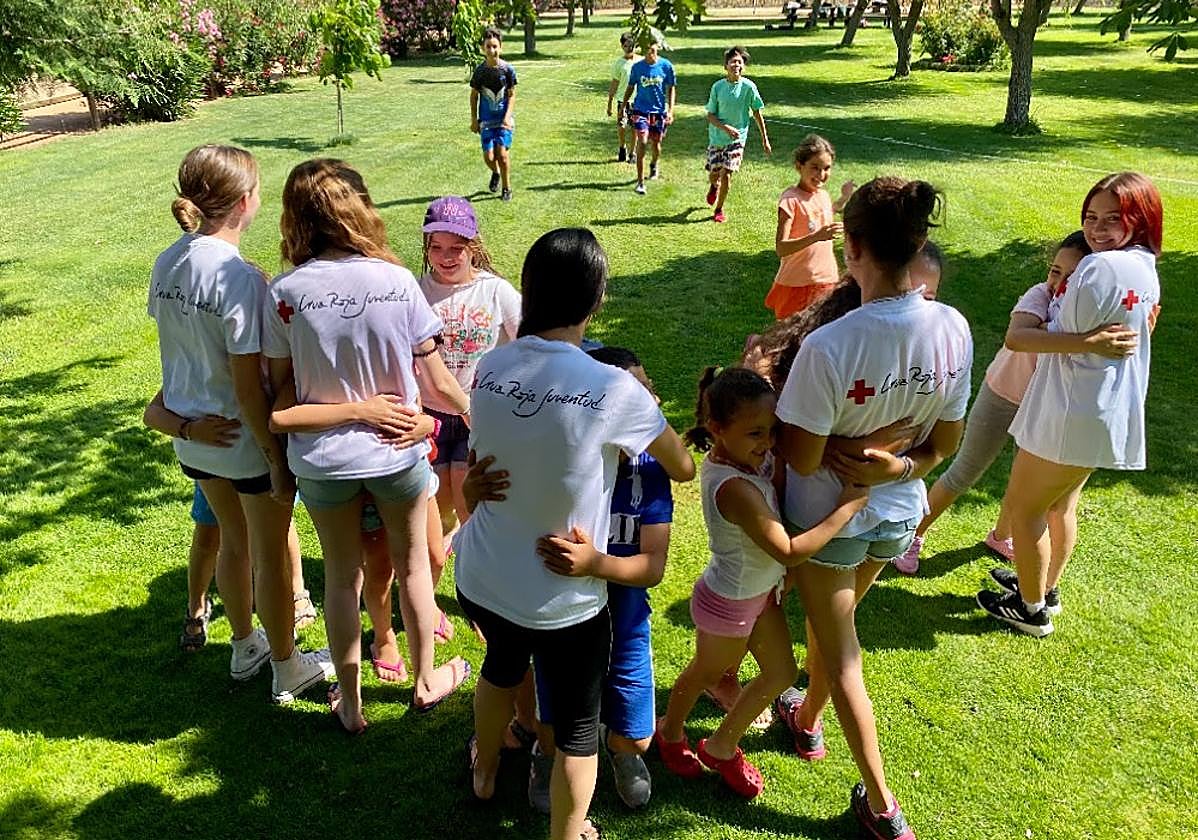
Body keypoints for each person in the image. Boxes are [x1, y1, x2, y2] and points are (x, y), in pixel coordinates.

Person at [455, 229, 694, 840]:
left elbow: (492, 464)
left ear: (531, 289)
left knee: (500, 669)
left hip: (483, 574)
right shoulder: (615, 390)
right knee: (581, 728)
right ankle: (567, 834)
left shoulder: (492, 364)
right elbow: (683, 466)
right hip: (561, 594)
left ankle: (484, 774)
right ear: (596, 300)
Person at [774, 176, 973, 840]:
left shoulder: (831, 346)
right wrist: (901, 466)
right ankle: (804, 723)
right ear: (918, 246)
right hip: (895, 518)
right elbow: (943, 443)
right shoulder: (954, 326)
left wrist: (840, 447)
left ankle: (883, 806)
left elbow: (802, 461)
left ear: (851, 245)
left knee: (844, 650)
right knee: (837, 632)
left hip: (829, 519)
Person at [262, 159, 472, 733]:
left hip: (322, 463)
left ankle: (351, 706)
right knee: (413, 570)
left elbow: (277, 395)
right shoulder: (397, 281)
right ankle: (426, 680)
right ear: (360, 207)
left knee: (342, 576)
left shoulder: (285, 293)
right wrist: (475, 415)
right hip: (397, 453)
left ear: (295, 216)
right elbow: (437, 384)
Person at [147, 144, 333, 704]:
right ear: (246, 202)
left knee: (233, 541)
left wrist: (182, 423)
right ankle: (285, 665)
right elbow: (250, 386)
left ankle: (244, 643)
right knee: (271, 555)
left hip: (194, 436)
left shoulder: (167, 260)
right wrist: (275, 458)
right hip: (240, 440)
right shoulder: (240, 279)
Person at [465, 346, 676, 812]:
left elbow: (654, 568)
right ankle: (545, 752)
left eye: (646, 391)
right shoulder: (560, 458)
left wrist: (595, 564)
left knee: (638, 738)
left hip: (624, 623)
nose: (641, 402)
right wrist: (468, 490)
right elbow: (496, 514)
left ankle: (620, 753)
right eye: (629, 394)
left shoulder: (649, 472)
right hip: (559, 616)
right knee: (553, 723)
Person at [654, 367, 867, 799]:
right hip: (729, 605)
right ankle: (669, 732)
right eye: (755, 433)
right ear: (717, 430)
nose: (767, 443)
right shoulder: (732, 487)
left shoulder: (754, 458)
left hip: (759, 595)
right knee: (704, 674)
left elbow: (782, 463)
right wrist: (847, 509)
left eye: (772, 431)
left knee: (782, 673)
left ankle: (721, 745)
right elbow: (787, 549)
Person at [977, 173, 1162, 637]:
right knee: (1060, 507)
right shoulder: (1145, 267)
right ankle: (1044, 587)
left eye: (1113, 218)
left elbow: (1059, 332)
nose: (1097, 229)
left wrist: (1076, 336)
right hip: (1101, 410)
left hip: (1069, 409)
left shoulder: (1098, 268)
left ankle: (1031, 608)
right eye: (1091, 217)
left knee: (1026, 510)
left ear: (1139, 219)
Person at [894, 232, 1140, 575]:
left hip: (1044, 405)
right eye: (1055, 271)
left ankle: (1001, 535)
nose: (1059, 282)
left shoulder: (1087, 312)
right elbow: (1018, 337)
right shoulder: (1039, 296)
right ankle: (911, 536)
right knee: (965, 471)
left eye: (1072, 277)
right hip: (1002, 395)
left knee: (1023, 483)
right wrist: (1087, 342)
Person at [417, 196, 520, 537]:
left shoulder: (495, 291)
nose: (446, 257)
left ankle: (470, 561)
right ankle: (445, 539)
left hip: (478, 411)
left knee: (467, 496)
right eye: (436, 247)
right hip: (429, 412)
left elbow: (531, 342)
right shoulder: (417, 293)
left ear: (473, 246)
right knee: (438, 500)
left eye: (456, 248)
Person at [765, 134, 855, 320]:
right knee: (792, 339)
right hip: (798, 284)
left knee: (822, 336)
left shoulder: (822, 195)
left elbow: (825, 211)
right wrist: (816, 236)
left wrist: (844, 198)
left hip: (827, 279)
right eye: (815, 167)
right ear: (799, 166)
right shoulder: (791, 200)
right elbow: (781, 248)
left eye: (826, 168)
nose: (821, 175)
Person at [704, 45, 771, 224]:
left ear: (744, 66)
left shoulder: (749, 87)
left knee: (727, 173)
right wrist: (725, 128)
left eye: (740, 62)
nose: (736, 65)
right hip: (717, 138)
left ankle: (719, 209)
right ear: (726, 66)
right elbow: (710, 115)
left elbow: (757, 112)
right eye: (733, 62)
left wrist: (765, 139)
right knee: (714, 173)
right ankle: (713, 185)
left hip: (737, 139)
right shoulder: (717, 87)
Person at [622, 34, 676, 195]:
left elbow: (671, 88)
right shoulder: (637, 67)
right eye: (647, 49)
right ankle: (640, 182)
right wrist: (623, 106)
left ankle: (653, 164)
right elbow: (631, 87)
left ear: (658, 47)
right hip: (640, 111)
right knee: (643, 141)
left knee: (656, 145)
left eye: (652, 48)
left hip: (659, 112)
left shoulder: (666, 66)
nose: (650, 52)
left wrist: (671, 110)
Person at [470, 27, 517, 202]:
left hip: (503, 121)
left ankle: (506, 188)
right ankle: (495, 173)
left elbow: (511, 95)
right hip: (487, 121)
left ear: (501, 47)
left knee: (502, 156)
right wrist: (474, 119)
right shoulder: (480, 72)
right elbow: (474, 96)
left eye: (495, 46)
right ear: (483, 49)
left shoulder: (508, 70)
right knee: (489, 157)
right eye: (488, 47)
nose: (492, 50)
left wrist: (507, 116)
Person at [607, 33, 638, 164]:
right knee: (622, 126)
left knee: (635, 127)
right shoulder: (619, 64)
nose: (628, 48)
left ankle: (633, 152)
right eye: (625, 46)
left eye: (631, 46)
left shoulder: (640, 62)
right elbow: (614, 83)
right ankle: (622, 147)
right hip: (622, 100)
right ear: (622, 46)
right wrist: (609, 102)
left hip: (637, 100)